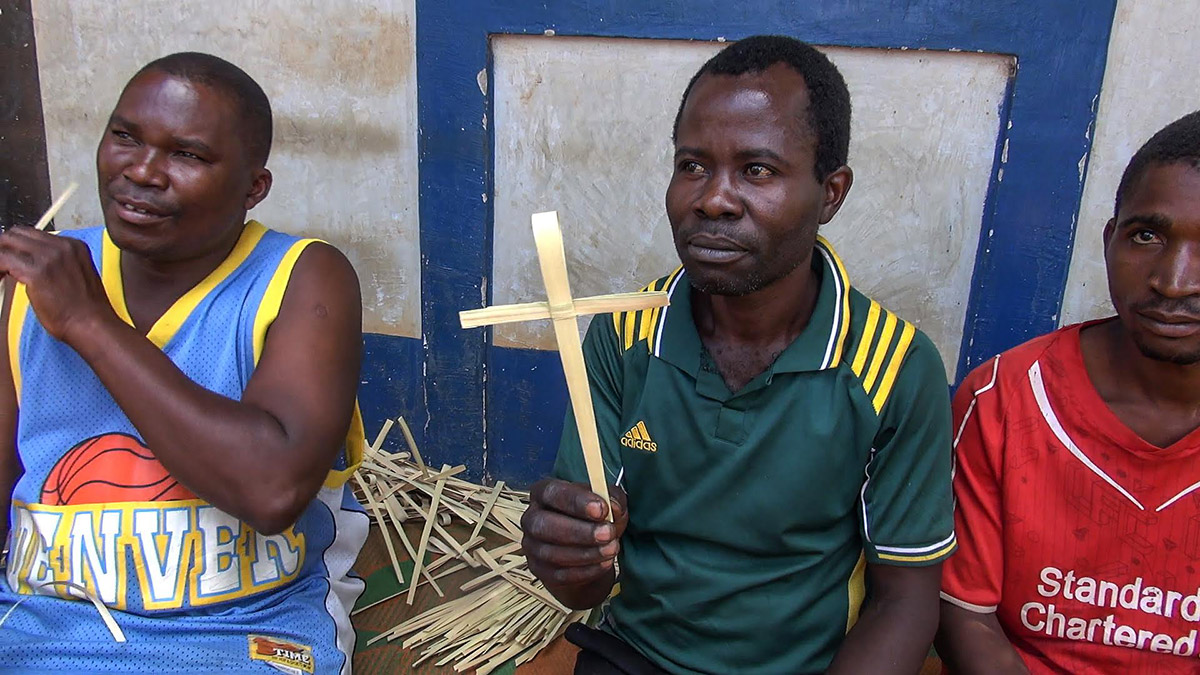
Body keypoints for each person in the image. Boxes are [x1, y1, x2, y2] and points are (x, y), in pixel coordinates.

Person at [520, 35, 956, 675]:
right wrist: (568, 557)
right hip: (636, 655)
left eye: (758, 170)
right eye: (692, 165)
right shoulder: (624, 335)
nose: (712, 199)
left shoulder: (894, 367)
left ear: (830, 193)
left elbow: (905, 602)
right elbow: (584, 587)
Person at [0, 52, 368, 674]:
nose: (141, 172)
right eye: (124, 136)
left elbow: (272, 488)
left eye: (187, 155)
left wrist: (90, 323)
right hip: (41, 630)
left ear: (254, 187)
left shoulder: (303, 279)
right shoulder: (30, 285)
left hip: (244, 633)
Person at [938, 110, 1200, 673]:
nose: (1174, 280)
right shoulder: (1005, 399)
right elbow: (966, 618)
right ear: (1110, 241)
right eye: (1147, 236)